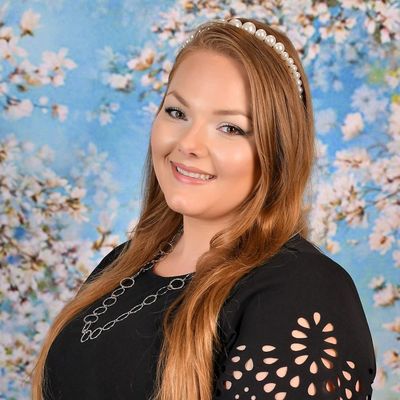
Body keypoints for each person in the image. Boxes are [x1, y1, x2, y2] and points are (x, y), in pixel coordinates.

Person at [30, 17, 376, 400]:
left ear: (278, 151)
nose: (189, 144)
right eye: (177, 113)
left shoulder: (305, 289)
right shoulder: (123, 264)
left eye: (230, 127)